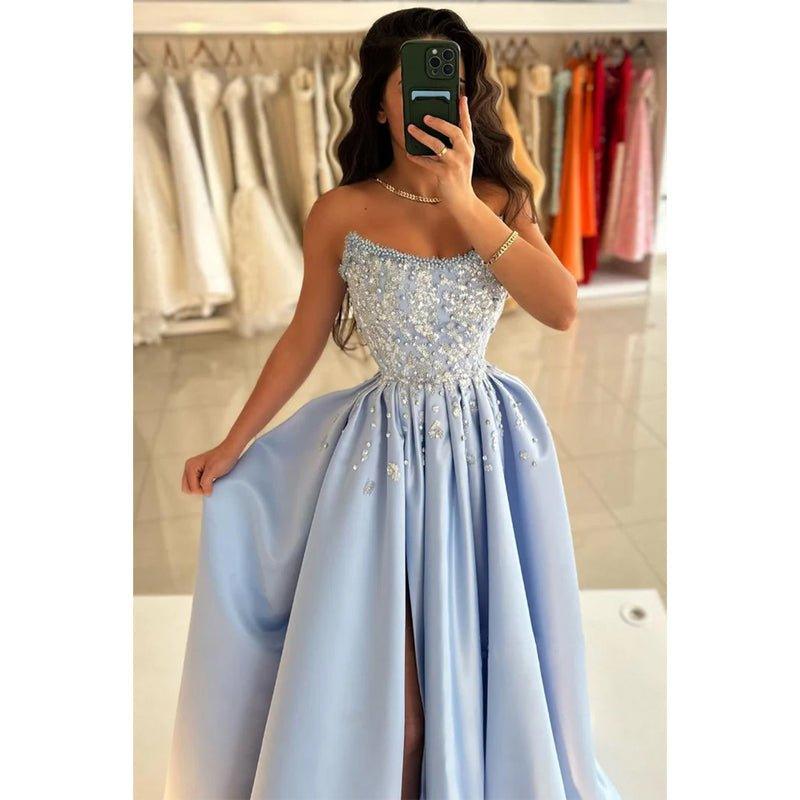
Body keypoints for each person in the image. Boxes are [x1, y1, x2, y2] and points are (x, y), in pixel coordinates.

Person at [164, 8, 621, 799]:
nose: (434, 103)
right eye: (414, 87)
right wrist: (233, 443)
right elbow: (303, 338)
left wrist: (463, 199)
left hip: (486, 454)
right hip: (384, 465)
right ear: (379, 101)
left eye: (453, 87)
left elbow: (562, 307)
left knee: (477, 680)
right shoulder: (341, 212)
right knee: (400, 718)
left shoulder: (500, 199)